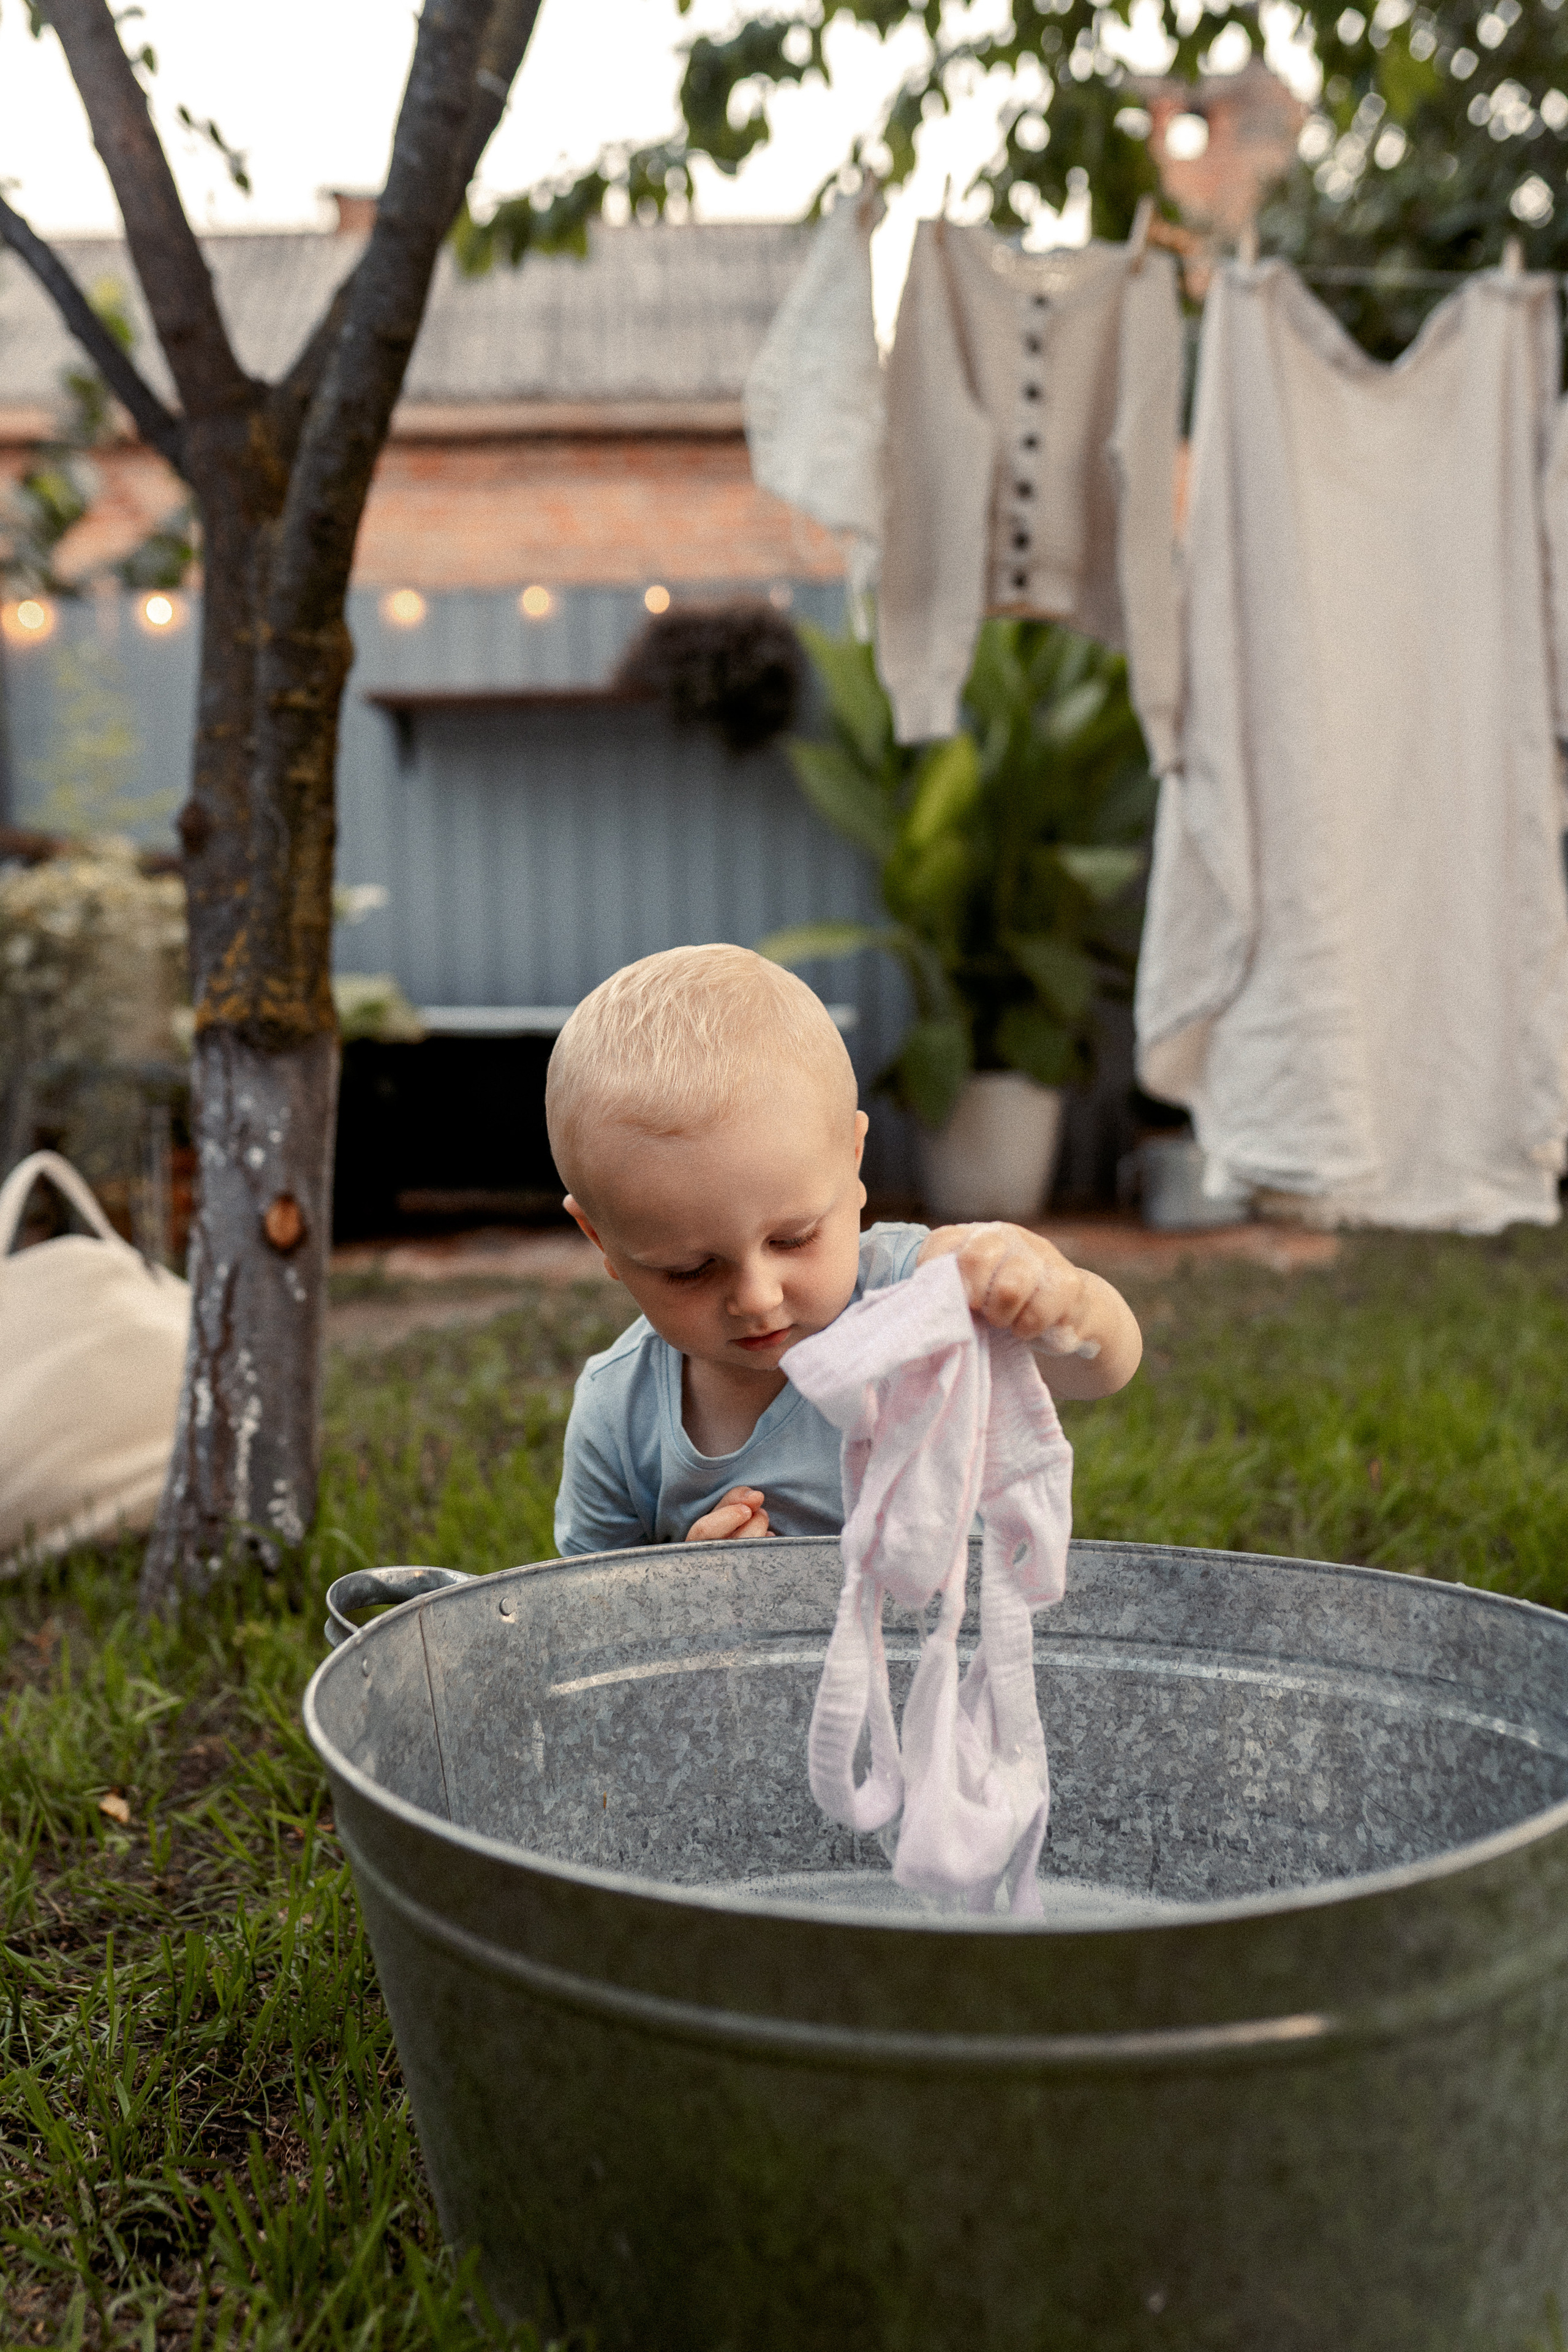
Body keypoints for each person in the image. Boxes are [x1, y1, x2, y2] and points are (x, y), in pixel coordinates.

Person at [546, 944, 1143, 1555]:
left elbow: (1101, 1372)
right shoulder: (619, 1417)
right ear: (602, 1241)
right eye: (690, 1270)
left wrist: (1062, 1302)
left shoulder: (923, 1293)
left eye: (793, 1238)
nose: (757, 1297)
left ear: (853, 1162)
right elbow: (594, 1616)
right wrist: (692, 1576)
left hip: (952, 1640)